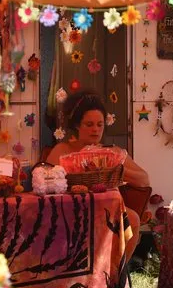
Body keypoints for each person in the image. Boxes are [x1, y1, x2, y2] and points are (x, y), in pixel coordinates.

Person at [46, 89, 150, 257]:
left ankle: (116, 274)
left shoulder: (113, 153)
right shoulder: (63, 150)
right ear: (78, 125)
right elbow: (44, 179)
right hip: (70, 212)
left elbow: (144, 180)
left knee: (133, 219)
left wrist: (114, 166)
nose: (95, 130)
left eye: (99, 124)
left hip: (107, 212)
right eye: (89, 124)